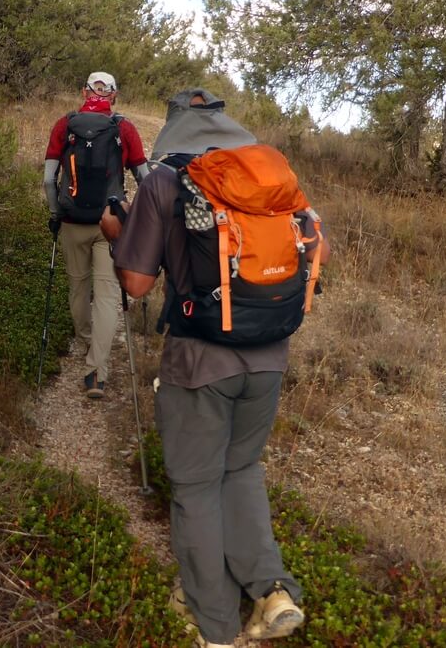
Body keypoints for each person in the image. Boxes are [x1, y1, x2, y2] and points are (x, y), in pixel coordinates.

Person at [100, 89, 328, 648]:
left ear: (174, 129)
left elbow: (136, 284)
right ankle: (272, 591)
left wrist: (117, 235)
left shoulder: (163, 181)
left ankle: (216, 627)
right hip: (270, 357)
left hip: (200, 363)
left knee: (197, 486)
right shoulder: (271, 181)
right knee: (242, 471)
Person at [42, 71, 148, 399]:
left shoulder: (65, 125)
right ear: (114, 97)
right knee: (106, 295)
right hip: (110, 222)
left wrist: (55, 212)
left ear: (83, 92)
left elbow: (48, 179)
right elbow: (144, 178)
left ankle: (87, 337)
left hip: (72, 220)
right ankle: (96, 372)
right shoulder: (124, 128)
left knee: (78, 287)